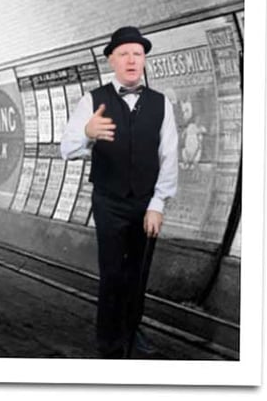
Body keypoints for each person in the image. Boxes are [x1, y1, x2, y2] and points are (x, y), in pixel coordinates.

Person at [60, 26, 178, 359]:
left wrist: (158, 204)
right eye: (123, 53)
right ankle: (109, 341)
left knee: (138, 273)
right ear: (111, 59)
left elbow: (169, 155)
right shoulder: (92, 100)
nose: (131, 60)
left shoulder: (160, 104)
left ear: (143, 60)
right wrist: (87, 131)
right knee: (112, 273)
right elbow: (65, 148)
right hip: (109, 200)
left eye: (137, 54)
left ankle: (130, 332)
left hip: (146, 202)